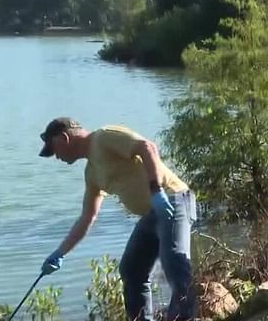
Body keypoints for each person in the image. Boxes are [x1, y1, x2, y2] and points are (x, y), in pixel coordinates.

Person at [37, 117, 197, 321]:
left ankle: (185, 317)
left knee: (173, 259)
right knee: (131, 270)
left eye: (53, 150)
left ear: (64, 138)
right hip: (150, 216)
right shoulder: (92, 173)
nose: (56, 157)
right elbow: (87, 217)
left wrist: (156, 191)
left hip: (173, 200)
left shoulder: (104, 137)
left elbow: (147, 147)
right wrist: (59, 252)